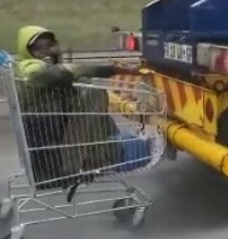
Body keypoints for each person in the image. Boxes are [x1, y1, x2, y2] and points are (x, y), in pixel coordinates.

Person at [15, 25, 137, 191]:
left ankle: (107, 150)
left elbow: (77, 71)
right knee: (94, 95)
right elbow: (40, 73)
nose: (45, 52)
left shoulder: (49, 67)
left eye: (49, 46)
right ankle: (92, 160)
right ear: (26, 51)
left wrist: (121, 70)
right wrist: (58, 70)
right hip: (44, 125)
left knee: (87, 89)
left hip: (52, 124)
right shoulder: (29, 67)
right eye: (38, 49)